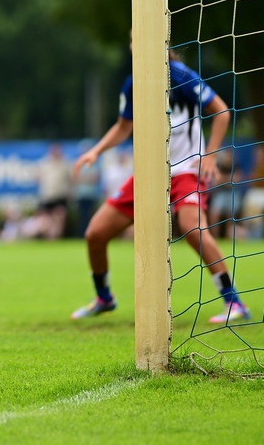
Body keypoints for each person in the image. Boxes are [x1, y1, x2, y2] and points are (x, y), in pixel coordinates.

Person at [71, 49, 250, 325]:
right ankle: (104, 298)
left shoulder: (182, 76)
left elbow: (222, 112)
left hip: (186, 170)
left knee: (192, 228)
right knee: (96, 233)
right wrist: (96, 151)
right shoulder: (133, 83)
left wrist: (210, 156)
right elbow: (123, 126)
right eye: (133, 42)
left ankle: (234, 302)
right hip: (149, 174)